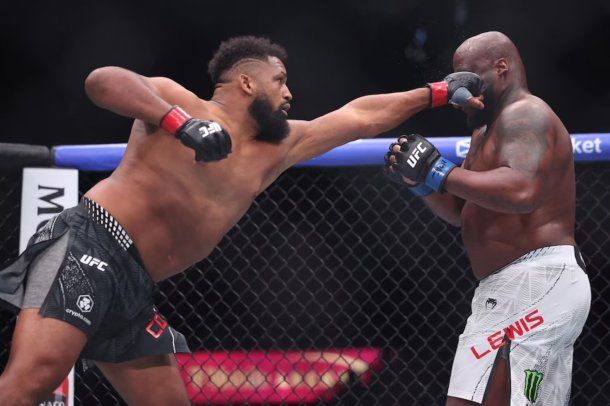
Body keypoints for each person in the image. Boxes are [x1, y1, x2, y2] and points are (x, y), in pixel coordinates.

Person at [0, 36, 482, 405]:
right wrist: (178, 123)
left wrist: (437, 92)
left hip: (136, 284)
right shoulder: (177, 102)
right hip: (91, 243)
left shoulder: (278, 148)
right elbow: (102, 80)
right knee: (30, 384)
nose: (290, 93)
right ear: (248, 82)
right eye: (280, 80)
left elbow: (361, 116)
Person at [385, 31, 591, 405]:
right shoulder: (484, 131)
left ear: (501, 68)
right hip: (506, 289)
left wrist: (438, 169)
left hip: (536, 280)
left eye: (469, 78)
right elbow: (461, 211)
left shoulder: (525, 114)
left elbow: (522, 191)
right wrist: (421, 183)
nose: (460, 93)